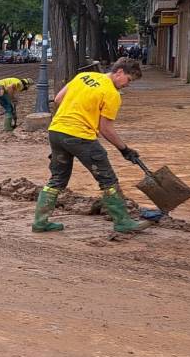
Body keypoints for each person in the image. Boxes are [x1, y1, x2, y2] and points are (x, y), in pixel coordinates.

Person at [32, 57, 145, 234]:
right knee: (107, 179)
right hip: (81, 137)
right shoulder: (112, 94)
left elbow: (58, 99)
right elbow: (105, 129)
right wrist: (124, 149)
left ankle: (40, 222)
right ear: (120, 72)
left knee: (58, 179)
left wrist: (78, 110)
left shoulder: (83, 77)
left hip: (56, 132)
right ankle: (123, 222)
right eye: (129, 80)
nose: (128, 85)